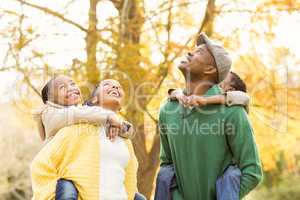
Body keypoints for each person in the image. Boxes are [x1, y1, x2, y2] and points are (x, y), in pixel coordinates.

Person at [157, 32, 263, 200]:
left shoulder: (232, 112)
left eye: (199, 52)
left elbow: (252, 172)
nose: (190, 52)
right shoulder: (167, 110)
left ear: (210, 69)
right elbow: (167, 166)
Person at [31, 78, 145, 200]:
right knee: (67, 189)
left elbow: (129, 133)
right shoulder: (57, 117)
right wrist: (109, 117)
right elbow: (79, 114)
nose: (115, 88)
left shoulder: (121, 139)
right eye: (62, 88)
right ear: (94, 100)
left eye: (73, 84)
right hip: (61, 177)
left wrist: (119, 124)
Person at [155, 71, 249, 200]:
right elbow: (167, 161)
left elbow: (243, 97)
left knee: (233, 174)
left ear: (230, 90)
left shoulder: (235, 109)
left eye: (220, 82)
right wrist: (177, 94)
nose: (213, 82)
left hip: (225, 187)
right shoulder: (174, 110)